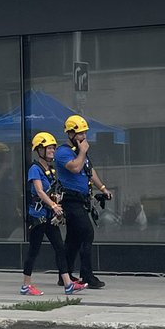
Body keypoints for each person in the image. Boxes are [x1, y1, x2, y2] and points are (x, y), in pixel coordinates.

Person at [20, 133, 87, 296]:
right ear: (40, 150)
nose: (52, 151)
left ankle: (68, 284)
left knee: (59, 248)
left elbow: (52, 192)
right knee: (34, 251)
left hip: (49, 216)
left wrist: (57, 205)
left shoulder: (50, 170)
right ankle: (26, 285)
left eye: (53, 148)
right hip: (38, 216)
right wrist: (53, 205)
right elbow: (39, 191)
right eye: (49, 148)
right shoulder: (35, 169)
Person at [54, 115, 112, 289]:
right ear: (70, 134)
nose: (84, 137)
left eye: (85, 133)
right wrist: (82, 152)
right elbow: (76, 167)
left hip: (81, 200)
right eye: (80, 134)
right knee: (87, 233)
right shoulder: (63, 152)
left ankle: (64, 274)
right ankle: (87, 275)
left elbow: (88, 170)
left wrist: (102, 188)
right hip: (70, 200)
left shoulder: (80, 152)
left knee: (73, 239)